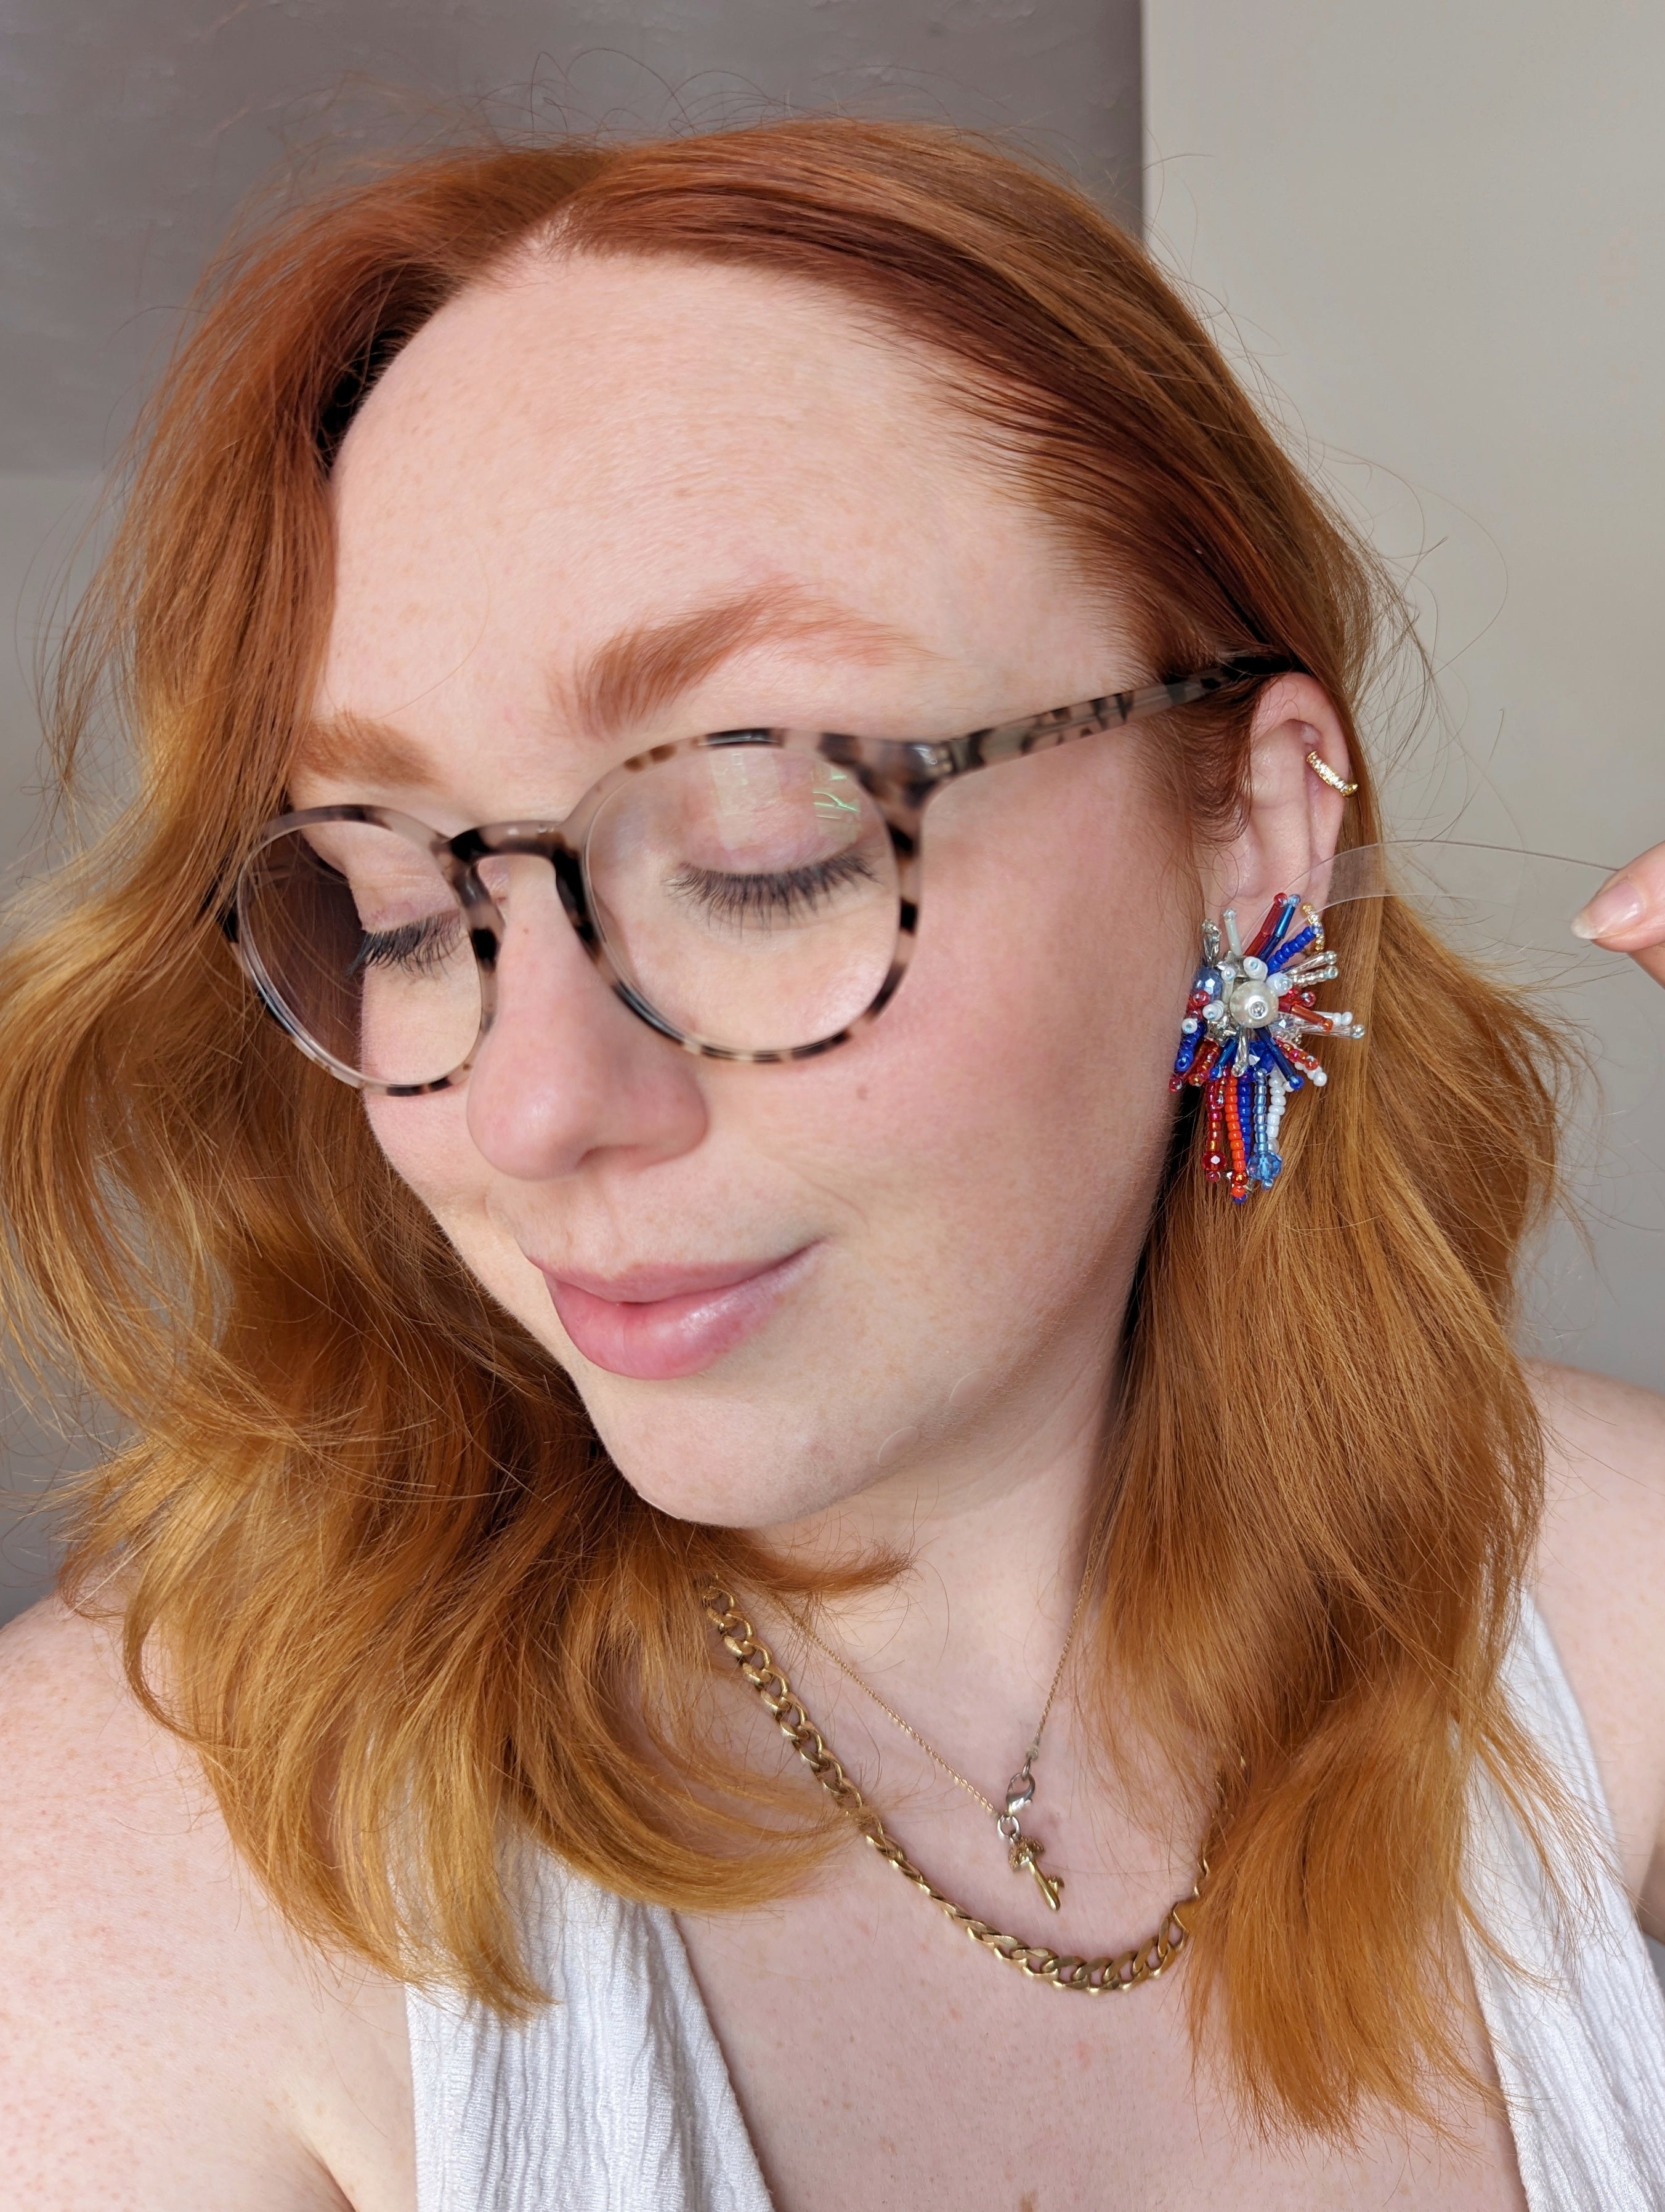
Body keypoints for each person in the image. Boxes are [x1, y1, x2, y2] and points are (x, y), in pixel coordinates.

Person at [1, 118, 1663, 2212]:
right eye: (399, 911)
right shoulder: (115, 1874)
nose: (523, 1114)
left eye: (758, 854)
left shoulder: (1606, 1616)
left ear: (1252, 841)